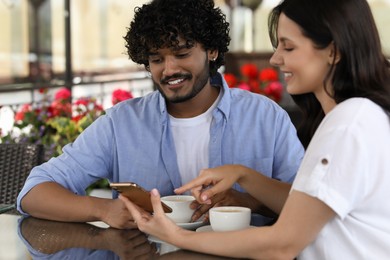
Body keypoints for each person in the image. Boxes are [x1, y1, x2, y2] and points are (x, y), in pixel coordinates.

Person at [120, 0, 390, 258]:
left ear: (333, 51)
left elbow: (282, 245)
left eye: (288, 47)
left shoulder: (348, 124)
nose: (275, 59)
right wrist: (243, 174)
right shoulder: (356, 116)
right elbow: (305, 206)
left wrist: (178, 237)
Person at [17, 0, 303, 229]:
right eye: (156, 59)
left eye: (181, 54)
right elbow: (33, 193)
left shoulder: (265, 117)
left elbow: (308, 205)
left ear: (212, 50)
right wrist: (104, 209)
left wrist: (247, 201)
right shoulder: (122, 123)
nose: (168, 70)